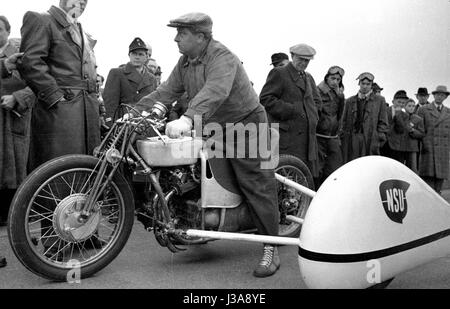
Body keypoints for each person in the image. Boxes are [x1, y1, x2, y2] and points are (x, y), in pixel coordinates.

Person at [135, 12, 280, 278]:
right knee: (194, 171)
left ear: (201, 37)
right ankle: (198, 219)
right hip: (211, 125)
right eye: (177, 33)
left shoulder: (221, 56)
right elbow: (166, 91)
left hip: (244, 126)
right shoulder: (186, 62)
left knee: (255, 183)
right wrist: (134, 112)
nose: (176, 38)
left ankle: (272, 246)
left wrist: (188, 118)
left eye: (183, 33)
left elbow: (216, 90)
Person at [18, 0, 102, 253]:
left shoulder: (82, 31)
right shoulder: (41, 19)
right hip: (60, 113)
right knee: (55, 175)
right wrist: (54, 97)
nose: (81, 4)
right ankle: (53, 240)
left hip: (86, 110)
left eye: (85, 1)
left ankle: (86, 233)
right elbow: (31, 62)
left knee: (87, 173)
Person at [260, 44, 322, 178]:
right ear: (292, 56)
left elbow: (316, 102)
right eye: (301, 59)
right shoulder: (279, 73)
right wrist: (292, 109)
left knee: (302, 178)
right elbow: (266, 99)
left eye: (307, 61)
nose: (304, 63)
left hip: (307, 140)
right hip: (286, 140)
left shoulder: (307, 77)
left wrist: (313, 116)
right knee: (284, 179)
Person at [0, 16, 35, 226]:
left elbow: (37, 85)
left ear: (7, 31)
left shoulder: (21, 56)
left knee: (13, 172)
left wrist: (18, 98)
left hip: (14, 120)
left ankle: (14, 218)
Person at [0, 52, 24, 268]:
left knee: (11, 189)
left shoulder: (16, 61)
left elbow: (36, 86)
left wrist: (18, 98)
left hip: (11, 130)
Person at [103, 37, 158, 122]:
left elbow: (153, 102)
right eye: (134, 54)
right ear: (129, 55)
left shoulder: (152, 78)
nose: (137, 57)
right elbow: (110, 104)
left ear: (147, 57)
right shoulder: (117, 73)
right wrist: (110, 125)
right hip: (123, 123)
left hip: (143, 124)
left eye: (140, 54)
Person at [341, 72, 389, 163]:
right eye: (363, 83)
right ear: (359, 84)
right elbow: (343, 122)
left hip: (370, 139)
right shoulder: (350, 101)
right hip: (352, 139)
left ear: (371, 85)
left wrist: (378, 138)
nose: (365, 86)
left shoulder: (380, 100)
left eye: (368, 84)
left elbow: (383, 122)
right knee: (352, 163)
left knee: (369, 165)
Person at [316, 66, 346, 187]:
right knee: (318, 169)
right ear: (327, 77)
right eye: (333, 78)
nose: (335, 82)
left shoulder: (338, 94)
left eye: (338, 79)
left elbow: (340, 115)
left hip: (333, 137)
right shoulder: (317, 91)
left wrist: (341, 97)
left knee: (334, 169)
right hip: (318, 136)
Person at [417, 86, 450, 194]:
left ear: (445, 97)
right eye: (437, 94)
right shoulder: (423, 109)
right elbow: (419, 129)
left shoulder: (448, 112)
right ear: (434, 95)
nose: (439, 97)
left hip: (443, 151)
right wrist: (425, 144)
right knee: (428, 185)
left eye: (442, 95)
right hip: (428, 150)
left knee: (439, 184)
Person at [381, 90, 410, 160]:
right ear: (393, 101)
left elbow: (401, 129)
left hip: (397, 146)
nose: (400, 104)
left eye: (403, 103)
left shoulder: (405, 115)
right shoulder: (384, 110)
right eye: (399, 102)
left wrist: (398, 114)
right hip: (383, 144)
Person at [402, 98, 425, 173]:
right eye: (409, 106)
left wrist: (413, 130)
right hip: (400, 148)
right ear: (405, 107)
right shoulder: (400, 117)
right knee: (400, 169)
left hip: (412, 148)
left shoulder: (418, 119)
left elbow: (422, 133)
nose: (411, 108)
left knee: (412, 170)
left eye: (413, 106)